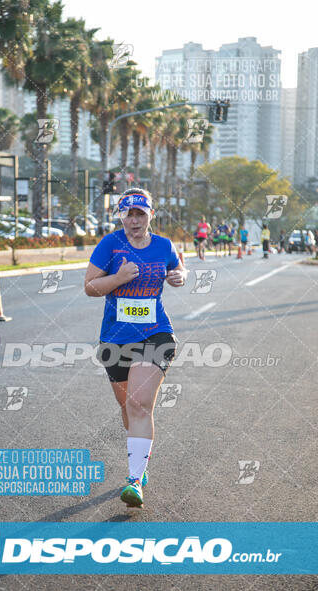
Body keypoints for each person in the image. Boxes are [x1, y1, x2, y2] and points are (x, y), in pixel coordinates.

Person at [84, 188, 188, 508]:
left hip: (156, 333)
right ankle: (140, 461)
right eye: (128, 214)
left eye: (140, 213)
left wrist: (179, 276)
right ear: (120, 217)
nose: (134, 220)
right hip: (115, 338)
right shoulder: (110, 245)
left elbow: (178, 267)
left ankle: (134, 479)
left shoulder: (163, 245)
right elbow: (90, 287)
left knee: (140, 404)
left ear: (150, 216)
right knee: (128, 408)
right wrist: (118, 277)